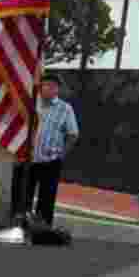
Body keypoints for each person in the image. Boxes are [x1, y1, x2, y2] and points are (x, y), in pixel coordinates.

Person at [23, 73, 79, 226]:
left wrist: (61, 155)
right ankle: (21, 226)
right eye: (45, 85)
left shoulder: (65, 109)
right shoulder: (30, 104)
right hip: (28, 160)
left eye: (53, 86)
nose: (48, 88)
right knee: (23, 197)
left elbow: (73, 134)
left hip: (51, 162)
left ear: (58, 90)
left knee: (46, 198)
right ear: (40, 87)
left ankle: (42, 229)